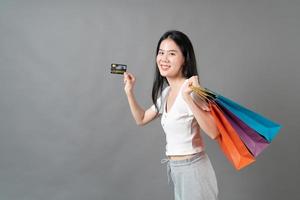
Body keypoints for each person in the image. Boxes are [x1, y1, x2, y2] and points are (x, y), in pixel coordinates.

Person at [123, 30, 220, 200]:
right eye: (161, 53)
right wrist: (129, 91)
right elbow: (141, 119)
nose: (164, 59)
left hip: (194, 169)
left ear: (184, 59)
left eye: (172, 53)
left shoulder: (192, 90)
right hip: (175, 169)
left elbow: (214, 132)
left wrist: (188, 99)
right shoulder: (166, 92)